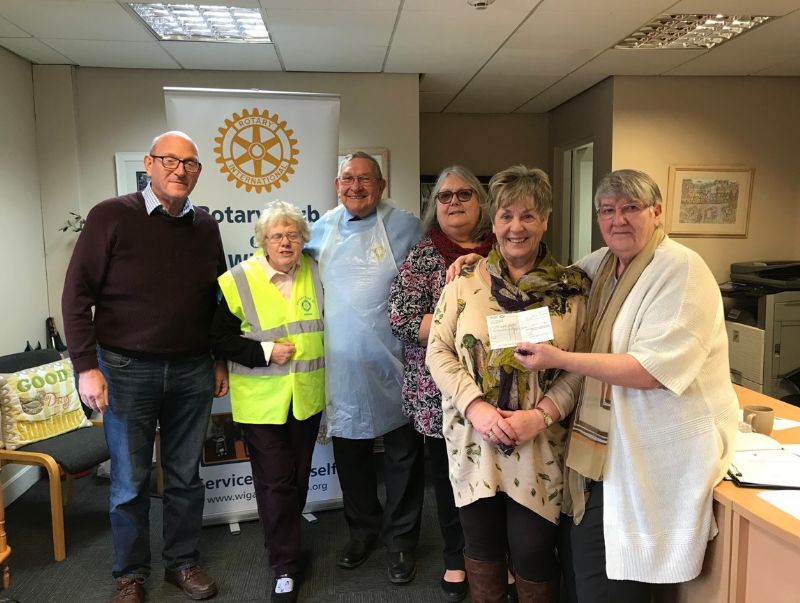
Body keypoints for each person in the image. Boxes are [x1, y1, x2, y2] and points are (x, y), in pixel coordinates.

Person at [514, 169, 739, 602]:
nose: (618, 219)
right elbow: (540, 282)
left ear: (657, 212)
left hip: (652, 453)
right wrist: (478, 262)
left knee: (612, 584)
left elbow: (651, 371)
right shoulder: (599, 265)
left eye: (631, 208)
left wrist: (558, 359)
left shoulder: (682, 269)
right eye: (608, 210)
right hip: (600, 452)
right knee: (584, 574)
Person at [62, 131, 227, 603]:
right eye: (170, 161)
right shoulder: (111, 215)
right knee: (130, 481)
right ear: (150, 165)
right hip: (125, 368)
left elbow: (216, 300)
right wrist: (85, 367)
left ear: (198, 172)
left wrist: (217, 359)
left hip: (193, 369)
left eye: (191, 164)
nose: (180, 170)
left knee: (184, 476)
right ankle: (130, 574)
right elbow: (77, 296)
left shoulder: (205, 225)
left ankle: (183, 563)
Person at [426, 165, 589, 603]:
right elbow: (437, 352)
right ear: (493, 222)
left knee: (533, 549)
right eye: (506, 216)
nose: (516, 227)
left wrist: (540, 416)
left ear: (546, 221)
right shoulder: (464, 281)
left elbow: (579, 367)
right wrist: (476, 407)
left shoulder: (570, 291)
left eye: (528, 216)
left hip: (539, 440)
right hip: (474, 437)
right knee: (480, 547)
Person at [305, 151, 424, 584]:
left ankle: (401, 542)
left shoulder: (407, 225)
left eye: (366, 179)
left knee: (403, 460)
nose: (356, 186)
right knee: (351, 457)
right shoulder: (320, 229)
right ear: (337, 185)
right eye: (348, 179)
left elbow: (429, 279)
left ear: (382, 184)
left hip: (398, 363)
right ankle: (362, 532)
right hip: (343, 366)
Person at [388, 166, 494, 601]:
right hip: (439, 394)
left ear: (481, 202)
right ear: (435, 206)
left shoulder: (504, 250)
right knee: (453, 481)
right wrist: (466, 325)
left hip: (497, 392)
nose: (453, 202)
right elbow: (402, 319)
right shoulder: (425, 255)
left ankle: (491, 558)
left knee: (495, 477)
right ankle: (456, 558)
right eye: (445, 196)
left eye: (464, 194)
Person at [211, 200, 324, 603]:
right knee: (276, 482)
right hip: (261, 402)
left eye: (293, 234)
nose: (286, 241)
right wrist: (265, 352)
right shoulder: (238, 279)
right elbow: (219, 338)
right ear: (262, 241)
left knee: (296, 479)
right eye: (277, 235)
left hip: (307, 398)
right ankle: (285, 567)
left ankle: (282, 543)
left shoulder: (317, 270)